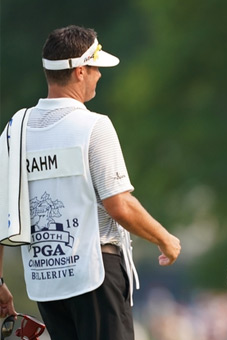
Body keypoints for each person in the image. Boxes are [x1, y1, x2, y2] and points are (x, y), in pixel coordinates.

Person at [0, 25, 181, 340]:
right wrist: (165, 239)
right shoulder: (94, 125)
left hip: (45, 280)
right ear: (80, 71)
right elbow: (119, 205)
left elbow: (3, 214)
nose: (99, 75)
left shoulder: (14, 129)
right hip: (94, 273)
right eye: (96, 68)